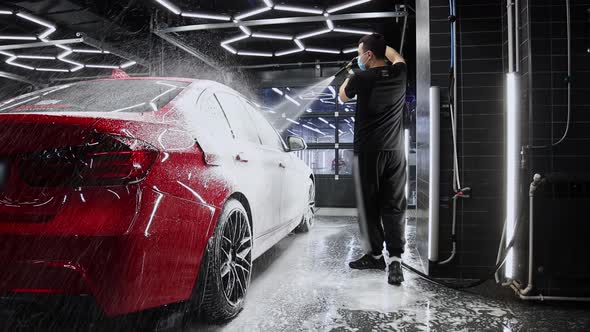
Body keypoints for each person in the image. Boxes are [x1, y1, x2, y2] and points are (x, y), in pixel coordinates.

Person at [338, 33, 407, 285]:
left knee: (369, 207)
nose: (358, 58)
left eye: (360, 53)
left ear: (368, 55)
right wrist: (380, 46)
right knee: (394, 205)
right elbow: (397, 57)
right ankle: (396, 261)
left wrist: (350, 75)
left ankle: (375, 256)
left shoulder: (361, 76)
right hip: (395, 153)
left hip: (368, 153)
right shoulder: (400, 74)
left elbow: (342, 96)